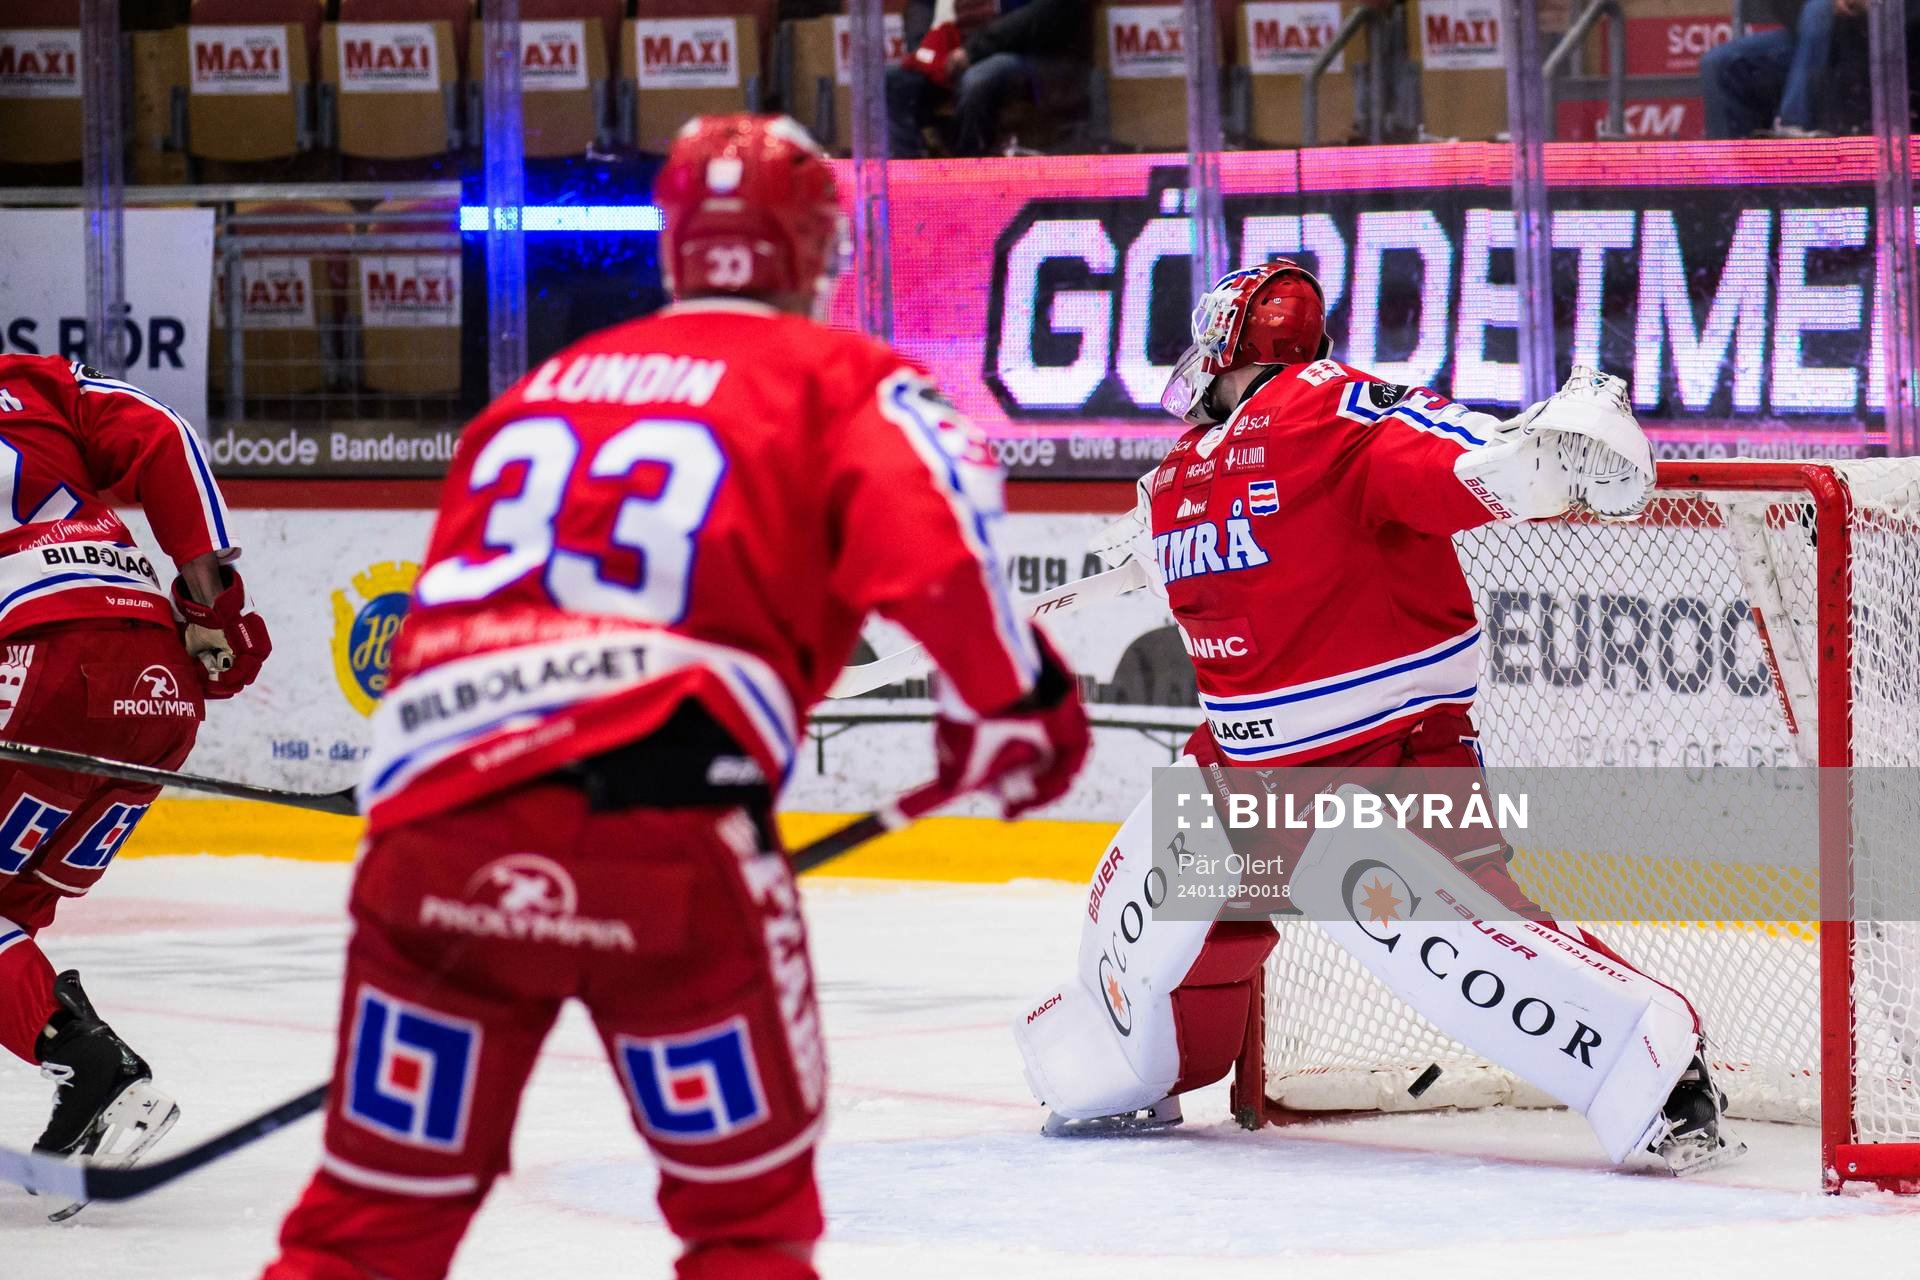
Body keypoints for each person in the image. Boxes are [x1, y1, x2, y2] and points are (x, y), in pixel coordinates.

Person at [261, 113, 1090, 1280]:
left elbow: (438, 632)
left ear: (675, 248)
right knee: (745, 1231)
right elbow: (943, 556)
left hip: (432, 839)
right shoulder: (846, 378)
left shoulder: (537, 390)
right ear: (816, 252)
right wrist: (1021, 700)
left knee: (367, 1226)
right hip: (665, 833)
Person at [1011, 260, 1744, 1176]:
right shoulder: (1188, 470)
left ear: (1234, 341)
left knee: (1448, 948)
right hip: (1238, 770)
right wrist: (1145, 536)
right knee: (1136, 919)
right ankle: (1125, 1072)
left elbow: (1454, 459)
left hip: (1381, 762)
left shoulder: (1332, 408)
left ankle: (1658, 1067)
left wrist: (1534, 457)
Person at [0, 355, 270, 1214]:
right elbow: (163, 437)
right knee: (9, 916)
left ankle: (92, 1065)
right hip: (156, 684)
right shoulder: (35, 378)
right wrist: (210, 603)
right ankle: (81, 1064)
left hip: (37, 664)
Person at [887, 0, 1091, 158]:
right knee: (893, 82)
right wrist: (923, 49)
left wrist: (974, 50)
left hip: (1036, 52)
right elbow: (921, 4)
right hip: (966, 47)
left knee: (978, 81)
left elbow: (1044, 13)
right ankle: (909, 175)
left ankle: (969, 176)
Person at [1702, 0, 1858, 139]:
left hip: (1866, 38)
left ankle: (1793, 124)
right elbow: (1785, 7)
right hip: (1809, 38)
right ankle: (1728, 164)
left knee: (1819, 6)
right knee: (1718, 62)